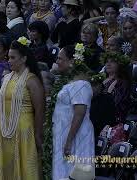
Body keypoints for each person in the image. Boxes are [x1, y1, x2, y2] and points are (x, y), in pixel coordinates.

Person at [0, 37, 44, 180]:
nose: (9, 60)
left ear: (24, 58)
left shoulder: (32, 80)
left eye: (13, 58)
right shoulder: (6, 77)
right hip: (4, 130)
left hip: (23, 131)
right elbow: (0, 104)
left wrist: (38, 134)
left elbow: (39, 110)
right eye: (8, 57)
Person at [52, 45, 95, 180]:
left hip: (76, 135)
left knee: (74, 173)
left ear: (72, 61)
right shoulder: (70, 82)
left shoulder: (81, 84)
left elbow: (80, 113)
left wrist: (69, 141)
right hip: (63, 132)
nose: (57, 62)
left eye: (60, 58)